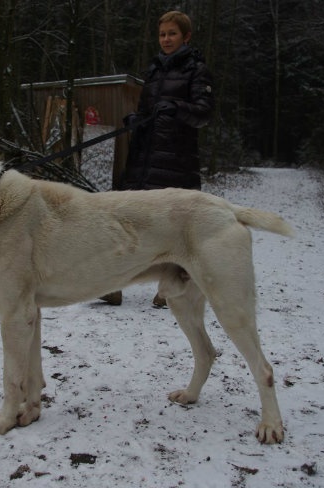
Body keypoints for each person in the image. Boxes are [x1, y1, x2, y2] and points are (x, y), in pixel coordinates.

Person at [102, 10, 215, 307]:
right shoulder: (153, 70)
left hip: (175, 160)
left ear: (186, 36)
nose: (166, 39)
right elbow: (149, 109)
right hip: (144, 157)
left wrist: (176, 108)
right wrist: (135, 120)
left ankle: (170, 288)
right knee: (128, 220)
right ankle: (113, 285)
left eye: (172, 34)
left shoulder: (197, 70)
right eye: (162, 34)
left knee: (173, 227)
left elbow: (203, 114)